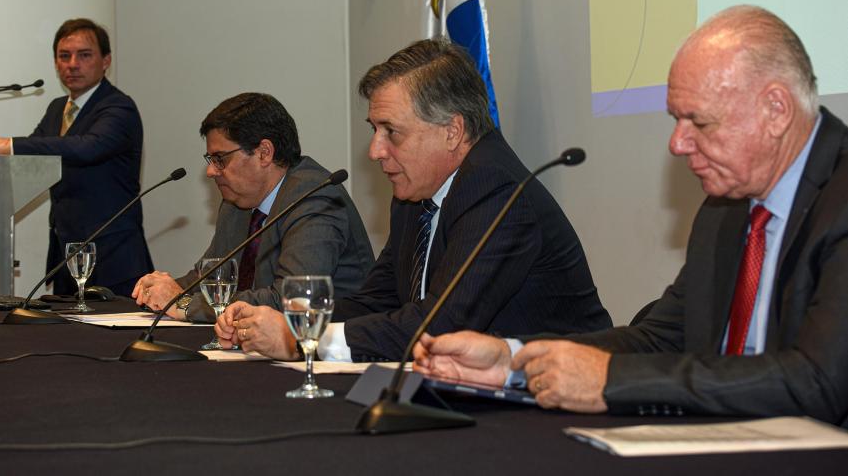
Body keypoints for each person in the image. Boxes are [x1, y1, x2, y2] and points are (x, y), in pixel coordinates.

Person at [413, 6, 848, 426]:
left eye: (699, 122)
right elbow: (659, 338)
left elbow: (818, 382)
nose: (677, 144)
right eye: (677, 120)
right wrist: (514, 361)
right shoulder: (726, 210)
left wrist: (611, 381)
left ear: (776, 110)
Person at [216, 39, 611, 361]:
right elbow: (378, 301)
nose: (375, 150)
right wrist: (289, 318)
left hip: (558, 403)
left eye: (392, 131)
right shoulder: (415, 193)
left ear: (452, 131)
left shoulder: (498, 191)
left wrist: (304, 340)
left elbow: (440, 324)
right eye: (374, 129)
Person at [131, 93, 374, 322]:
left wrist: (183, 304)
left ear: (264, 153)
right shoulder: (238, 203)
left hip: (329, 353)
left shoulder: (315, 198)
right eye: (211, 160)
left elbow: (291, 301)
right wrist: (162, 290)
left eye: (220, 159)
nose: (211, 171)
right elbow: (211, 277)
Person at [0, 18, 153, 296]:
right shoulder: (56, 109)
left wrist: (7, 144)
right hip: (66, 255)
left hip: (113, 256)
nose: (72, 64)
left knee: (110, 339)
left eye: (84, 55)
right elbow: (34, 156)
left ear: (106, 60)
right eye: (64, 56)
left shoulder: (118, 106)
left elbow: (87, 148)